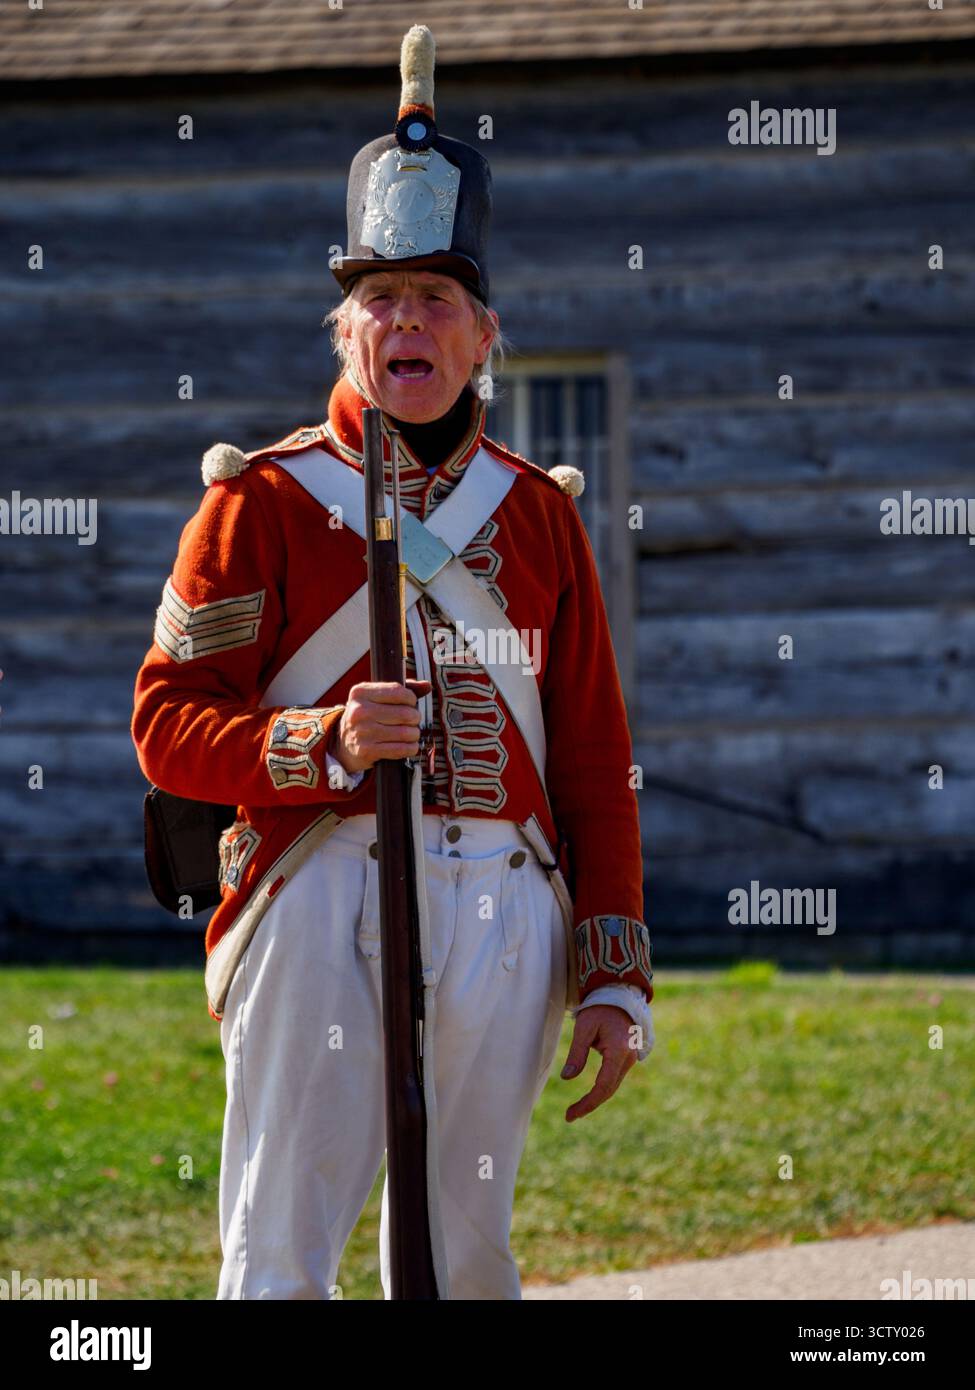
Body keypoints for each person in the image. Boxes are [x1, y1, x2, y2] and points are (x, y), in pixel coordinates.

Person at [131, 25, 654, 1301]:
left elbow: (589, 753)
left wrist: (613, 969)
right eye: (379, 299)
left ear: (483, 338)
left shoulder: (537, 512)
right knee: (280, 1247)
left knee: (467, 1255)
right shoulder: (256, 499)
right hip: (315, 884)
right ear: (344, 332)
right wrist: (316, 745)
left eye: (434, 300)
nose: (405, 321)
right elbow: (167, 723)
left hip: (505, 908)